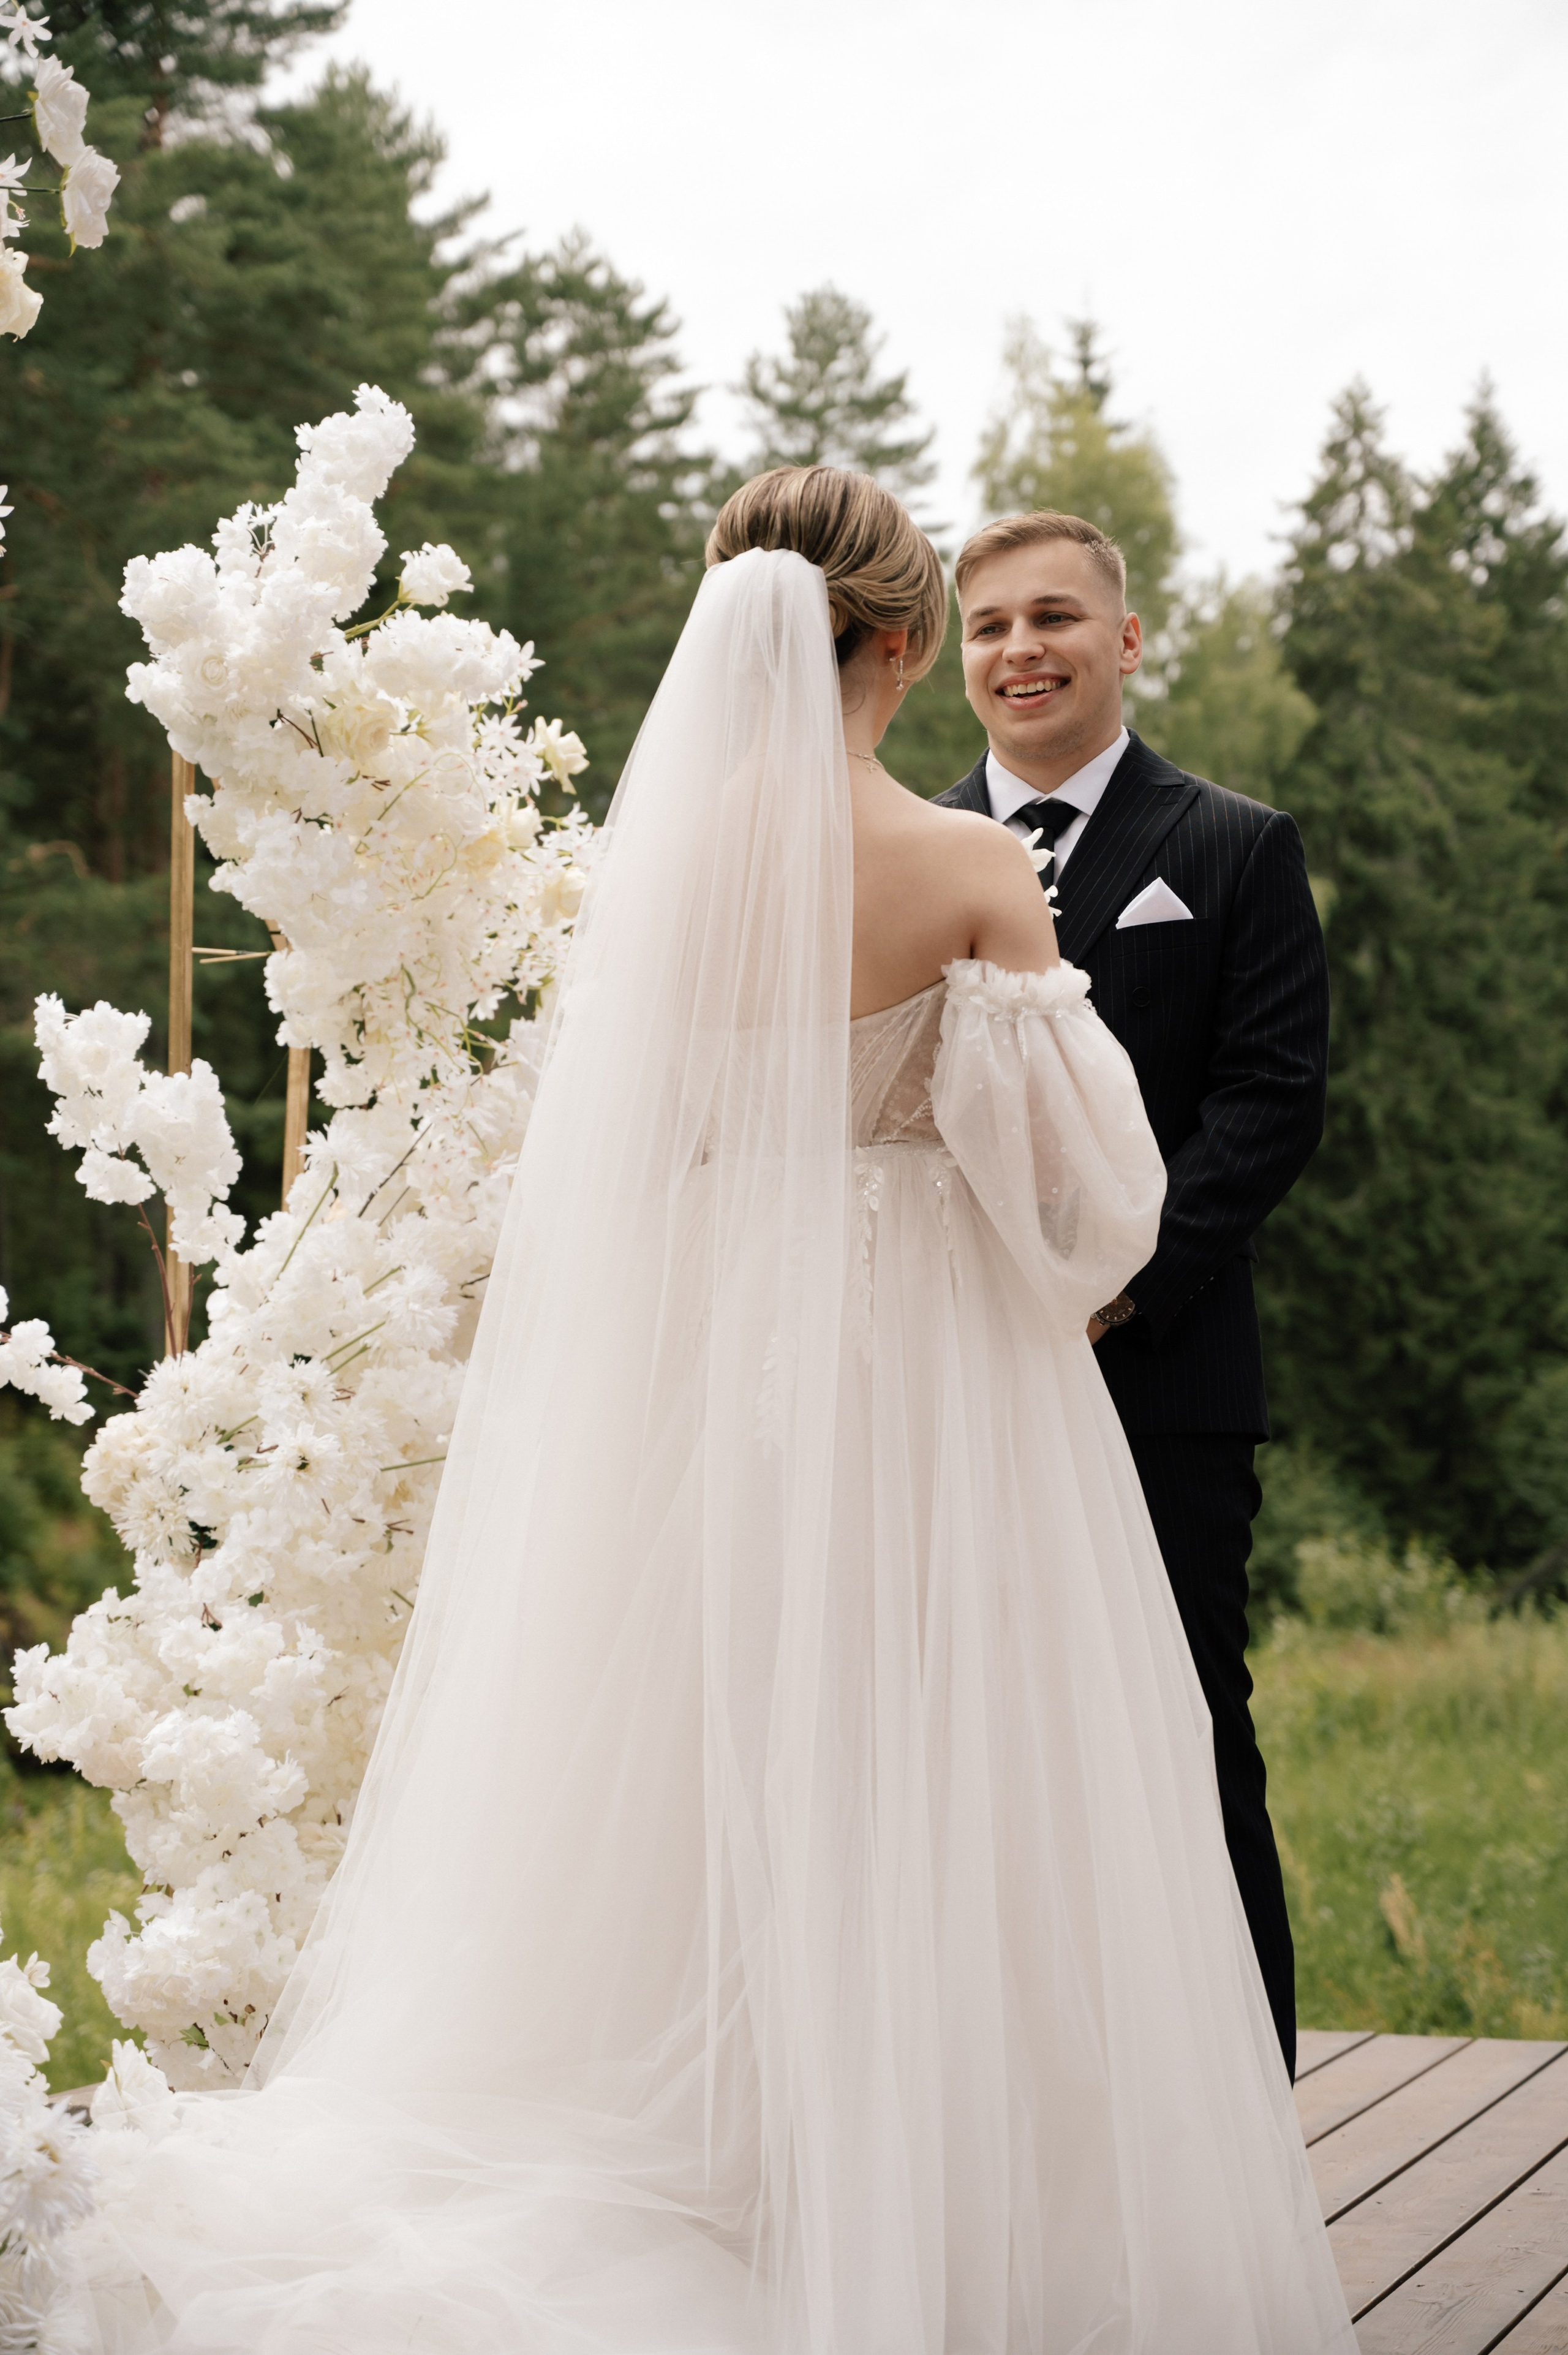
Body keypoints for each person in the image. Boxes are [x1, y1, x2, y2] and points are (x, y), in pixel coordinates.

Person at [77, 471, 1353, 2351]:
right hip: (940, 1378)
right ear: (905, 639)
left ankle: (743, 2159)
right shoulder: (971, 869)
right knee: (967, 1759)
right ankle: (953, 2192)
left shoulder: (666, 867)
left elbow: (639, 1164)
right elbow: (1085, 1204)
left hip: (729, 1372)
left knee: (728, 1749)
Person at [935, 513, 1330, 2081]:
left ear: (1126, 638)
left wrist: (1113, 1285)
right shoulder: (905, 845)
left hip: (1153, 1383)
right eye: (984, 627)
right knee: (970, 1746)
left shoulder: (1231, 845)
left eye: (1052, 619)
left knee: (1178, 1734)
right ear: (948, 655)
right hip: (945, 1376)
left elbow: (1266, 1099)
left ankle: (1241, 2115)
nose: (1018, 652)